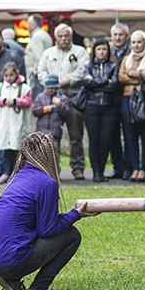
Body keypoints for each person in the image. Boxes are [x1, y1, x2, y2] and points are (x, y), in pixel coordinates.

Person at [0, 132, 99, 290]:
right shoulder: (46, 183)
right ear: (50, 153)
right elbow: (47, 230)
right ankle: (38, 289)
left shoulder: (16, 177)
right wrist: (76, 214)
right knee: (72, 236)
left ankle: (11, 280)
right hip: (11, 259)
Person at [37, 24, 88, 180]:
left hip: (72, 97)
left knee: (75, 135)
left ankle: (78, 168)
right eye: (60, 36)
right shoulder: (48, 53)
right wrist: (50, 84)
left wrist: (65, 81)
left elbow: (82, 71)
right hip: (50, 98)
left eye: (66, 36)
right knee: (50, 136)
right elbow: (40, 72)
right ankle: (50, 169)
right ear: (55, 37)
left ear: (71, 37)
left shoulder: (80, 52)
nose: (63, 39)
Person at [118, 30, 145, 183]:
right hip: (127, 99)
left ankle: (143, 169)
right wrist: (138, 74)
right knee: (130, 136)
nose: (136, 45)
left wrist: (130, 73)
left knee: (144, 135)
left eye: (139, 41)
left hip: (144, 98)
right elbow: (121, 78)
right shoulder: (126, 58)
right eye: (133, 42)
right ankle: (134, 168)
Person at [82, 38, 120, 183]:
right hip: (91, 107)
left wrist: (96, 82)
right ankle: (95, 172)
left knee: (105, 141)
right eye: (99, 49)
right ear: (94, 51)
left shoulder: (113, 66)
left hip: (109, 108)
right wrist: (105, 80)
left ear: (108, 51)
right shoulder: (89, 67)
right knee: (94, 141)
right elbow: (86, 83)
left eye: (104, 49)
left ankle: (102, 171)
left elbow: (114, 85)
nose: (101, 52)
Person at [0, 62, 32, 184]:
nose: (8, 78)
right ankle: (7, 173)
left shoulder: (24, 88)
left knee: (18, 149)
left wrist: (14, 101)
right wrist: (3, 101)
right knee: (7, 149)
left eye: (11, 75)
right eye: (6, 75)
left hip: (17, 123)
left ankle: (19, 174)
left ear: (16, 74)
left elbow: (27, 102)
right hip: (5, 124)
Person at [108, 22, 130, 180]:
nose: (118, 37)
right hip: (110, 100)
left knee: (128, 135)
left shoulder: (131, 51)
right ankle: (118, 167)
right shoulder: (106, 51)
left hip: (128, 98)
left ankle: (128, 167)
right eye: (115, 34)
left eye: (121, 34)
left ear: (126, 36)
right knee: (112, 135)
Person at [32, 74, 69, 156]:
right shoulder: (40, 97)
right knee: (41, 155)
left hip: (55, 132)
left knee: (54, 155)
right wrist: (44, 109)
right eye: (49, 88)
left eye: (53, 88)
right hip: (41, 132)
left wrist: (59, 104)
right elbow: (34, 111)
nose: (51, 90)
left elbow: (66, 113)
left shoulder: (62, 98)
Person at [24, 14, 53, 100]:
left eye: (28, 23)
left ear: (33, 25)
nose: (26, 26)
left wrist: (36, 74)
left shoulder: (37, 37)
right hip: (43, 75)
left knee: (36, 102)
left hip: (37, 78)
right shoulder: (44, 34)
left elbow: (38, 57)